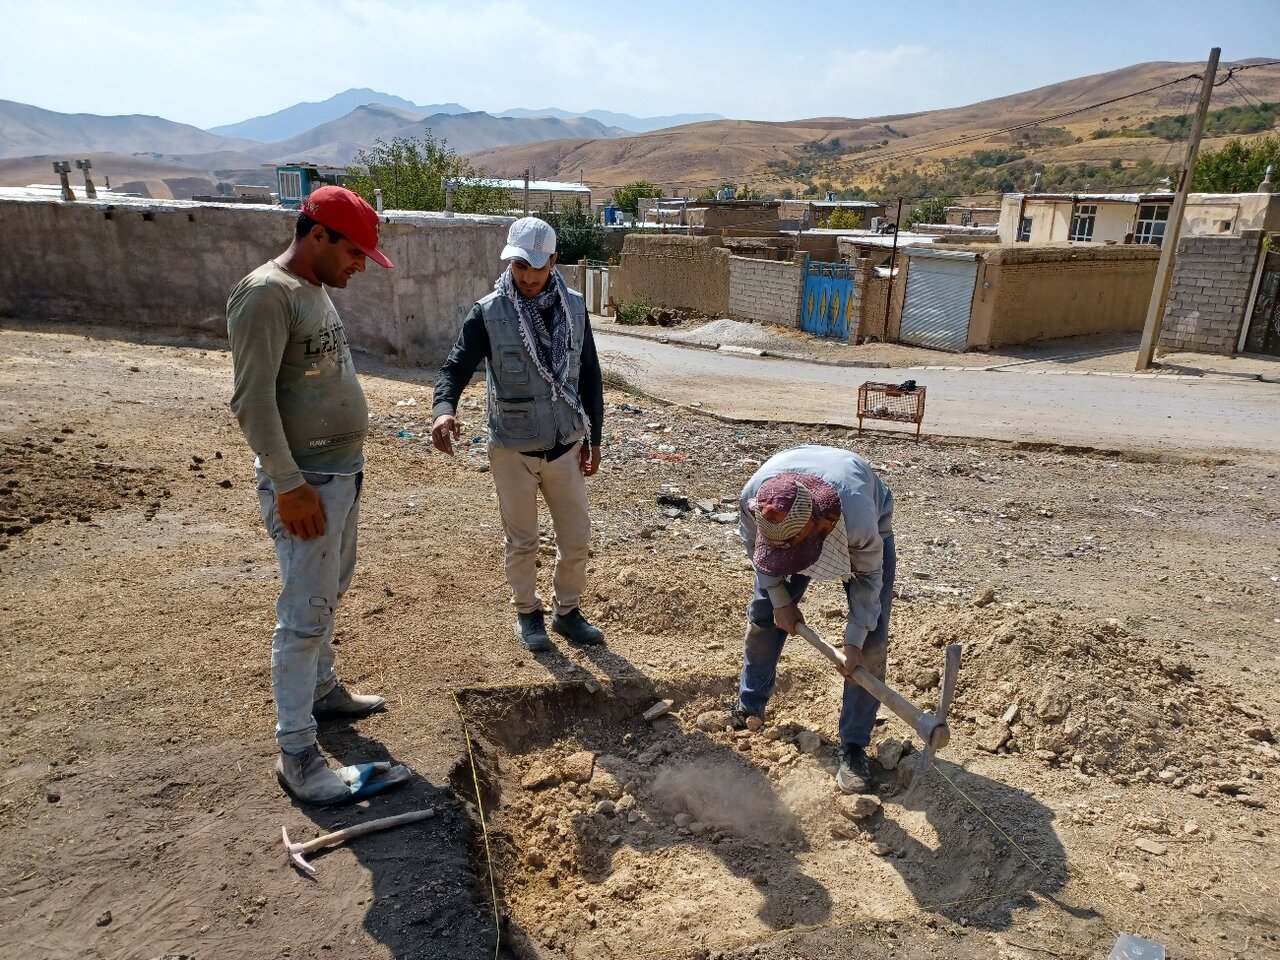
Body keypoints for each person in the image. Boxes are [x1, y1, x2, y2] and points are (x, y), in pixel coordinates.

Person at [226, 185, 394, 805]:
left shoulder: (312, 289)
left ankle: (323, 695)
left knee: (330, 592)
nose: (359, 266)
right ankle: (297, 753)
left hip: (339, 476)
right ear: (318, 235)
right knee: (303, 617)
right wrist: (289, 484)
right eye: (354, 253)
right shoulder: (267, 295)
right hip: (307, 484)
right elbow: (252, 399)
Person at [431, 216, 605, 652]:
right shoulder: (489, 312)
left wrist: (595, 437)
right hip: (512, 448)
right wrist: (443, 410)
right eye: (518, 266)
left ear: (553, 262)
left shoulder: (575, 307)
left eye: (535, 266)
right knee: (523, 540)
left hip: (565, 444)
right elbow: (455, 367)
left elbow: (589, 375)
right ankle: (528, 613)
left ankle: (567, 613)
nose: (526, 276)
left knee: (576, 538)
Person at [735, 445, 896, 794]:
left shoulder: (856, 515)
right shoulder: (755, 500)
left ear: (818, 525)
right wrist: (780, 599)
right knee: (764, 615)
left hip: (860, 523)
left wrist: (853, 641)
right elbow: (755, 551)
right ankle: (748, 707)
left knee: (870, 643)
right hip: (791, 522)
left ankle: (853, 746)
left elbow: (869, 580)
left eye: (794, 548)